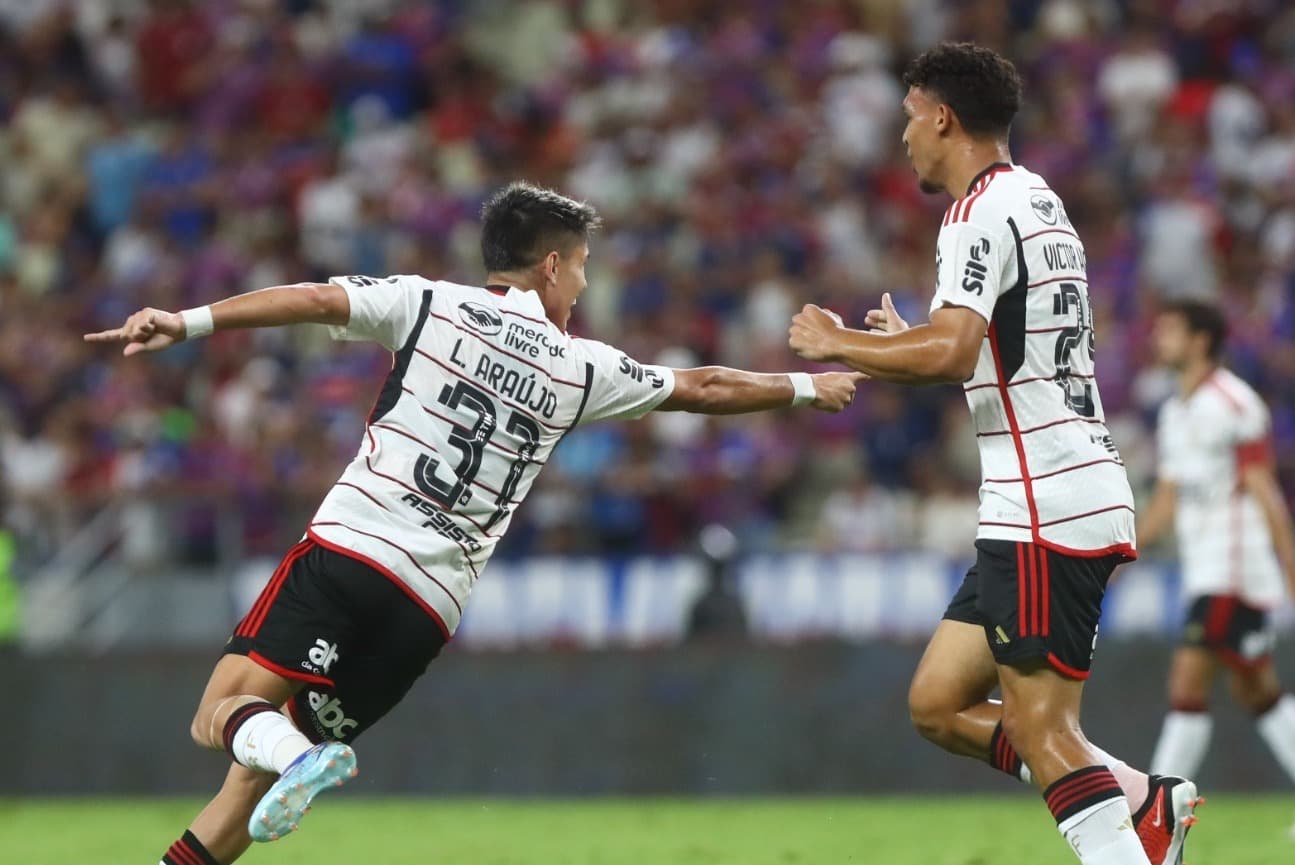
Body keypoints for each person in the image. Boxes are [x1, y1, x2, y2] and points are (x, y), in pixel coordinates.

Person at [85, 182, 861, 865]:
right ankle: (290, 760)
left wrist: (183, 322)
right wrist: (803, 387)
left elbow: (318, 299)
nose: (583, 287)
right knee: (246, 786)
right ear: (551, 265)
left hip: (354, 548)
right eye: (582, 266)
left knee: (217, 713)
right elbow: (705, 384)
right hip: (428, 608)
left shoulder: (426, 303)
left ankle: (292, 753)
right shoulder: (578, 366)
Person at [788, 42, 1198, 865]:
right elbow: (989, 349)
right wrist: (901, 340)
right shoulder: (1038, 201)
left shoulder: (976, 212)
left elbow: (950, 352)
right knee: (939, 702)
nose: (902, 138)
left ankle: (1128, 843)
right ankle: (1141, 798)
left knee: (1042, 729)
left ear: (941, 116)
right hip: (1045, 490)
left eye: (908, 118)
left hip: (1047, 497)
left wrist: (837, 343)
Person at [1138, 300, 1295, 835]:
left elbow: (1263, 488)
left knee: (1187, 683)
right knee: (1258, 692)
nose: (1159, 338)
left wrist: (1290, 562)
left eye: (1170, 329)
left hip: (1236, 568)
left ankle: (1156, 812)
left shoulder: (1233, 403)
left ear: (1201, 340)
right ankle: (1157, 811)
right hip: (1205, 569)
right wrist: (1118, 553)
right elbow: (1167, 500)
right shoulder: (1174, 411)